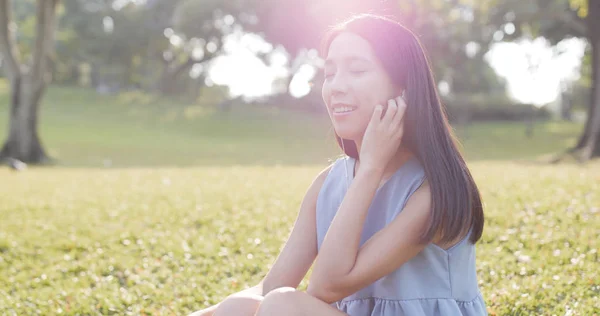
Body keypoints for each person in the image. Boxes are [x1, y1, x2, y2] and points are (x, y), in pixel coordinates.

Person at [190, 13, 487, 316]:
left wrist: (371, 167)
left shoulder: (435, 191)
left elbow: (327, 286)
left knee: (284, 305)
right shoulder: (328, 185)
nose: (336, 87)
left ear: (402, 87)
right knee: (237, 307)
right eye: (329, 73)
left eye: (357, 70)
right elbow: (270, 287)